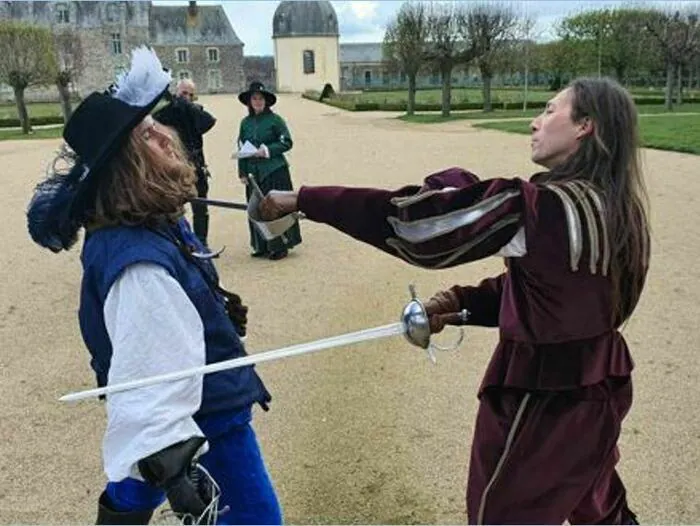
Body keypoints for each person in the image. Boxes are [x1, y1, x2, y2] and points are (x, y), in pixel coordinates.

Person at [258, 77, 649, 525]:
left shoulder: (536, 207)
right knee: (601, 512)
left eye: (549, 109)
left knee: (499, 517)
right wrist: (456, 302)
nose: (534, 121)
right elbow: (554, 295)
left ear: (585, 126)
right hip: (602, 390)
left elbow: (417, 227)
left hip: (539, 403)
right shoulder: (624, 211)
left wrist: (305, 200)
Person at [26, 47, 282, 525]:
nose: (166, 136)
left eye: (155, 125)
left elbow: (179, 299)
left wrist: (216, 309)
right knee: (257, 518)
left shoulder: (153, 223)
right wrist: (173, 462)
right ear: (127, 165)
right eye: (146, 134)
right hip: (206, 415)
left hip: (202, 397)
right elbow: (148, 369)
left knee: (134, 485)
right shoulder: (137, 262)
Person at [236, 81, 301, 260]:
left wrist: (265, 151)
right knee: (256, 209)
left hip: (274, 170)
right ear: (249, 102)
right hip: (253, 173)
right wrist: (242, 171)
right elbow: (241, 146)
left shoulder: (275, 120)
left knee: (275, 207)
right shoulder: (245, 123)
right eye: (254, 98)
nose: (257, 101)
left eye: (260, 98)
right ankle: (261, 245)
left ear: (266, 101)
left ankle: (280, 246)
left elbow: (286, 142)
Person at [153, 78, 216, 248]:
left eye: (190, 94)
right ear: (177, 92)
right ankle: (178, 241)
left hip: (196, 164)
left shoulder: (195, 112)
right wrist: (176, 104)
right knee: (173, 205)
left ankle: (201, 242)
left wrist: (187, 106)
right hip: (174, 164)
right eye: (183, 93)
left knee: (201, 206)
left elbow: (208, 122)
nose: (186, 97)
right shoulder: (167, 111)